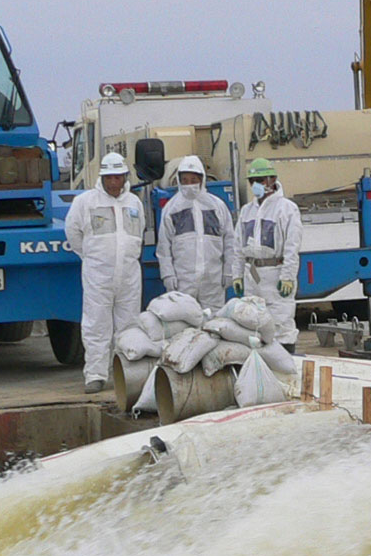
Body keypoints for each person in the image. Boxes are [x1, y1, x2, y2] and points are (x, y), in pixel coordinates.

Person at [63, 151, 145, 392]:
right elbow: (73, 232)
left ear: (125, 177)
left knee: (129, 326)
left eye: (117, 177)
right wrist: (91, 257)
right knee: (96, 325)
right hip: (98, 275)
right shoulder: (85, 202)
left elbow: (139, 232)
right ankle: (96, 375)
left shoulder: (134, 203)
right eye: (109, 177)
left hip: (129, 275)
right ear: (102, 178)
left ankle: (127, 375)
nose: (113, 182)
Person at [156, 155, 238, 313]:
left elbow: (229, 241)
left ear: (202, 179)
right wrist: (168, 275)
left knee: (214, 321)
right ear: (179, 180)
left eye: (193, 180)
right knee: (184, 320)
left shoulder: (217, 206)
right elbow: (164, 247)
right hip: (183, 281)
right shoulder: (172, 208)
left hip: (213, 280)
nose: (189, 184)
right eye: (185, 180)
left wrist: (229, 270)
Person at [235, 157, 301, 346]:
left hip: (275, 273)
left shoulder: (287, 209)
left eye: (261, 180)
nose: (256, 185)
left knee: (280, 323)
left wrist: (287, 276)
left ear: (273, 179)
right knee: (252, 323)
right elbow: (238, 246)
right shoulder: (247, 211)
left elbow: (292, 247)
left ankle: (286, 358)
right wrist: (237, 275)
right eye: (253, 181)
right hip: (252, 274)